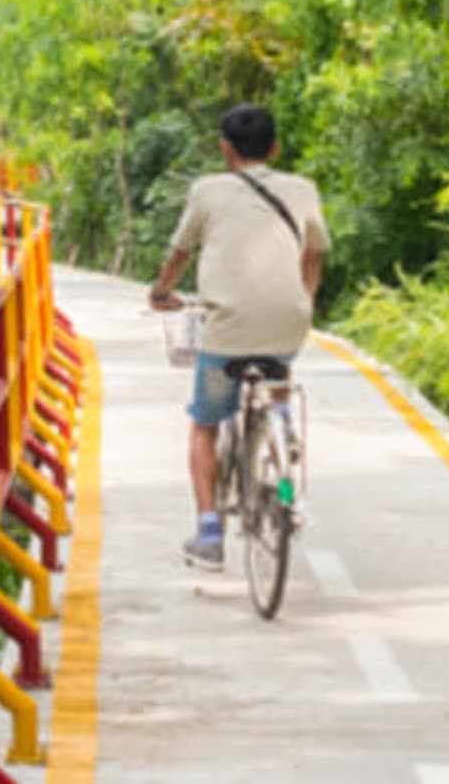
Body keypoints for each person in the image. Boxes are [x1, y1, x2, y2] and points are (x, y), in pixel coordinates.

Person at [145, 103, 329, 569]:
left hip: (226, 330)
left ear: (225, 148)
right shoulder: (303, 189)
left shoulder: (207, 190)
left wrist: (162, 291)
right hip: (289, 320)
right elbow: (313, 257)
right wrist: (304, 301)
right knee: (276, 363)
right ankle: (282, 425)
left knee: (204, 426)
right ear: (275, 147)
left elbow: (180, 251)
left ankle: (209, 534)